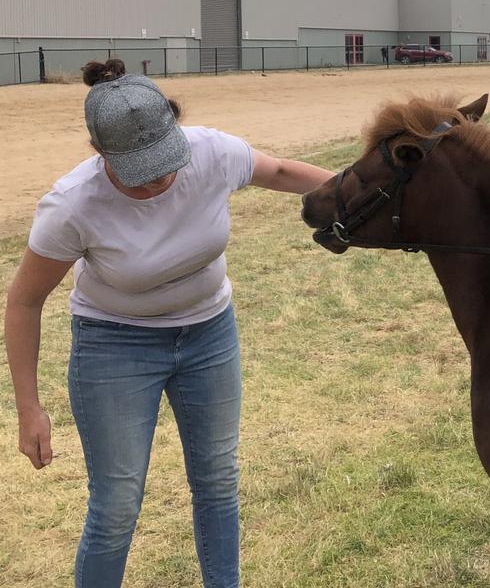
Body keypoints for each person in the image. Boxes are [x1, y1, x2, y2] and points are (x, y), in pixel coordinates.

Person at [5, 59, 335, 588]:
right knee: (115, 504)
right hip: (114, 346)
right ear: (101, 153)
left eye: (166, 163)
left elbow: (278, 171)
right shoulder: (71, 205)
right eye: (140, 172)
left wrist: (363, 192)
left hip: (210, 336)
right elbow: (24, 302)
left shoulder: (211, 151)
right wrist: (29, 406)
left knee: (217, 481)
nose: (159, 181)